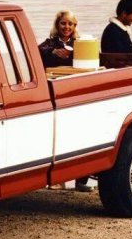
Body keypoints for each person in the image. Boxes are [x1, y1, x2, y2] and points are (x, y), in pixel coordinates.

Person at [39, 10, 94, 192]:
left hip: (76, 92)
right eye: (63, 23)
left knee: (82, 136)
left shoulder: (81, 44)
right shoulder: (49, 44)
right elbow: (37, 52)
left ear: (75, 26)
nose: (66, 27)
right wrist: (54, 52)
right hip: (56, 94)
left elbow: (94, 59)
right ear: (57, 25)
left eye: (70, 24)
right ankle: (56, 181)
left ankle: (81, 182)